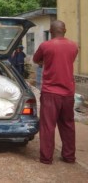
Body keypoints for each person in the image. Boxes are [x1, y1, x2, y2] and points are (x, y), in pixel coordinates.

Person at [32, 20, 79, 165]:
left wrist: (46, 61)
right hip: (68, 94)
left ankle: (46, 158)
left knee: (47, 126)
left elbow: (36, 59)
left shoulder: (46, 45)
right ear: (65, 30)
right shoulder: (74, 46)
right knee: (68, 125)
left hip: (50, 93)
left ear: (51, 32)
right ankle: (69, 157)